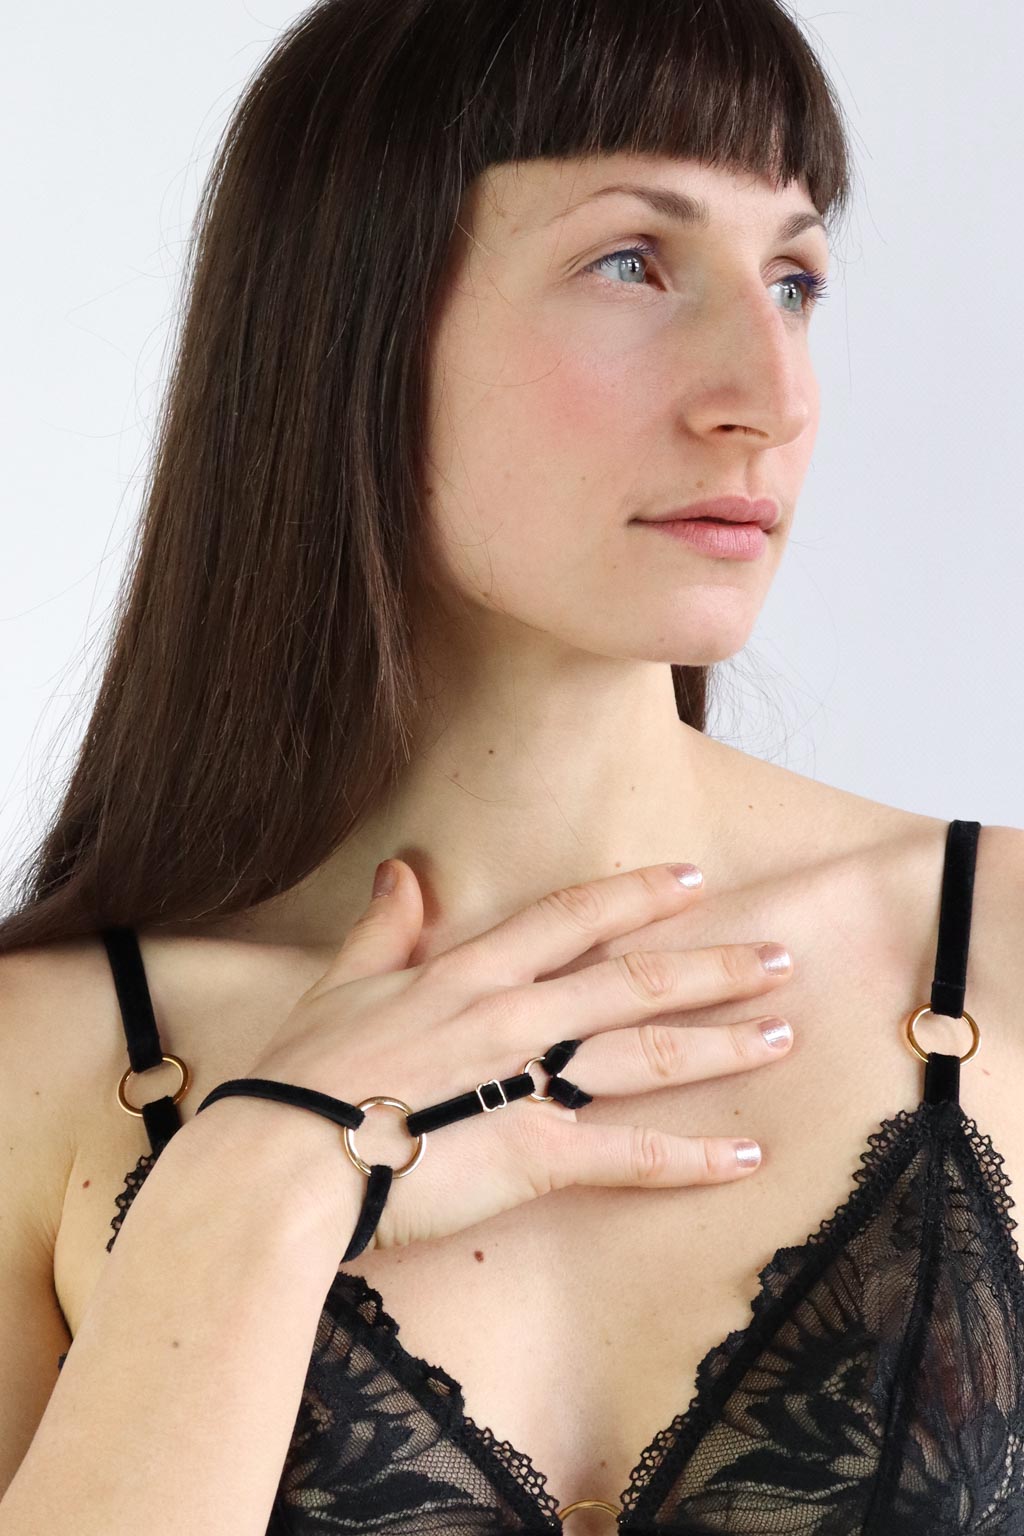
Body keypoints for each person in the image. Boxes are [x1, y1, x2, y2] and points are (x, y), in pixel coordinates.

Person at [2, 0, 1023, 1532]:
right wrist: (255, 1193)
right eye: (635, 261)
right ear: (354, 319)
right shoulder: (44, 1062)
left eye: (796, 279)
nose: (771, 390)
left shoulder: (1000, 945)